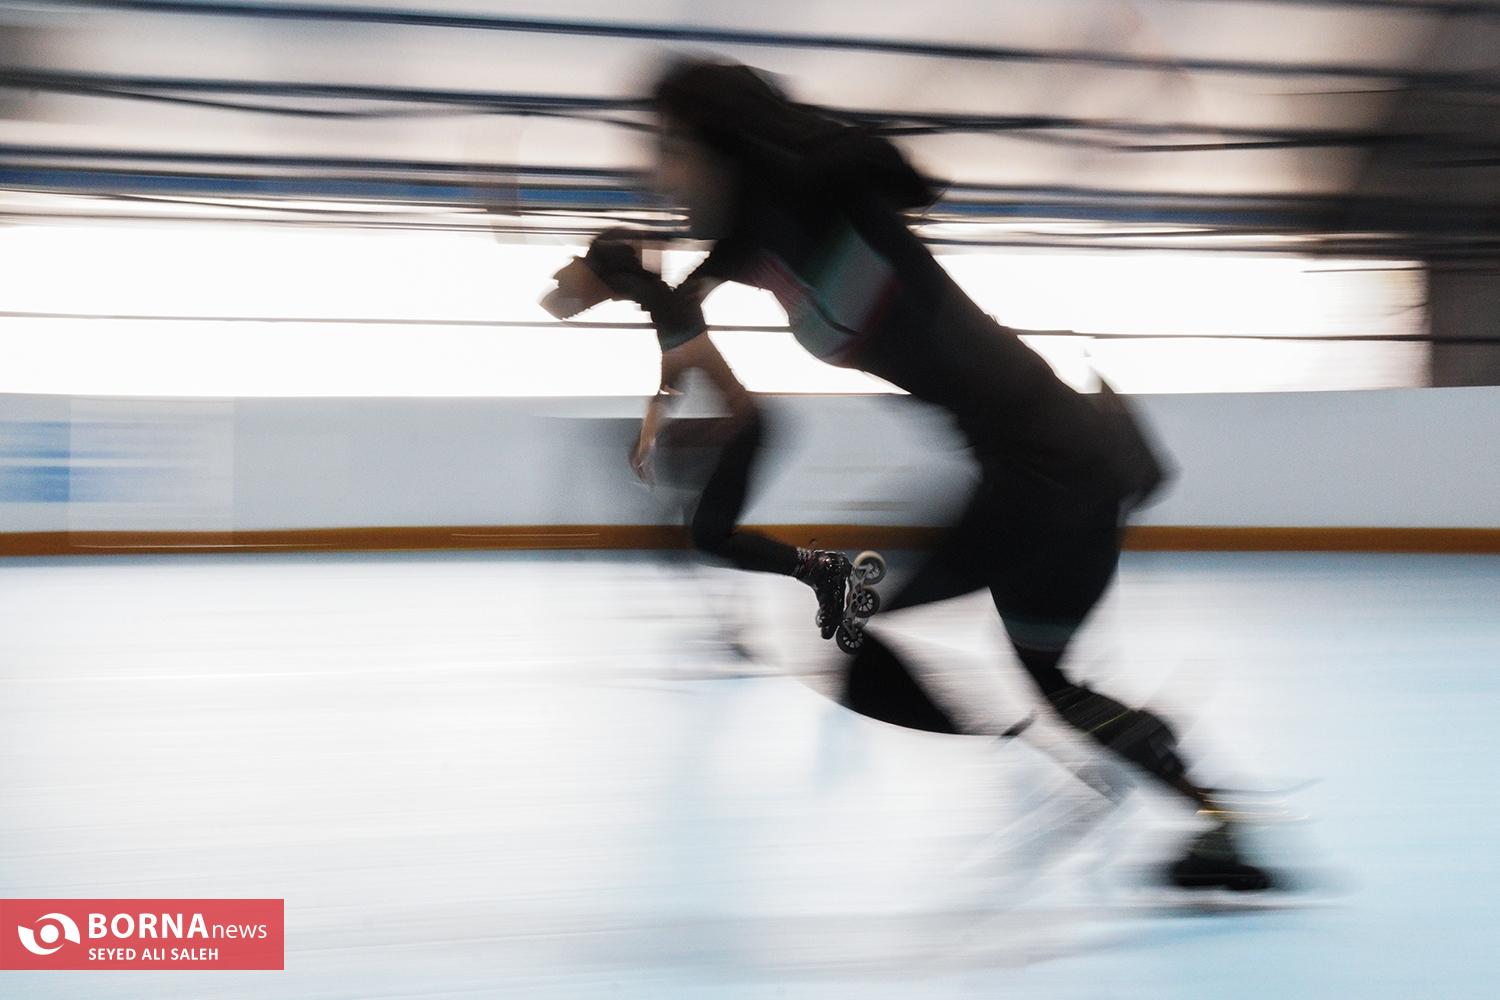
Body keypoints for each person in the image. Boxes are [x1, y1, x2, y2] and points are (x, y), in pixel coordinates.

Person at [549, 57, 1272, 891]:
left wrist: (850, 150)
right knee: (1040, 679)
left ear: (724, 146)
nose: (659, 171)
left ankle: (1038, 752)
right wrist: (610, 279)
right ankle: (1220, 822)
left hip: (1050, 464)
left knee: (869, 652)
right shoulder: (755, 240)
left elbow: (884, 175)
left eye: (671, 148)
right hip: (1050, 462)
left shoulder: (821, 195)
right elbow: (670, 296)